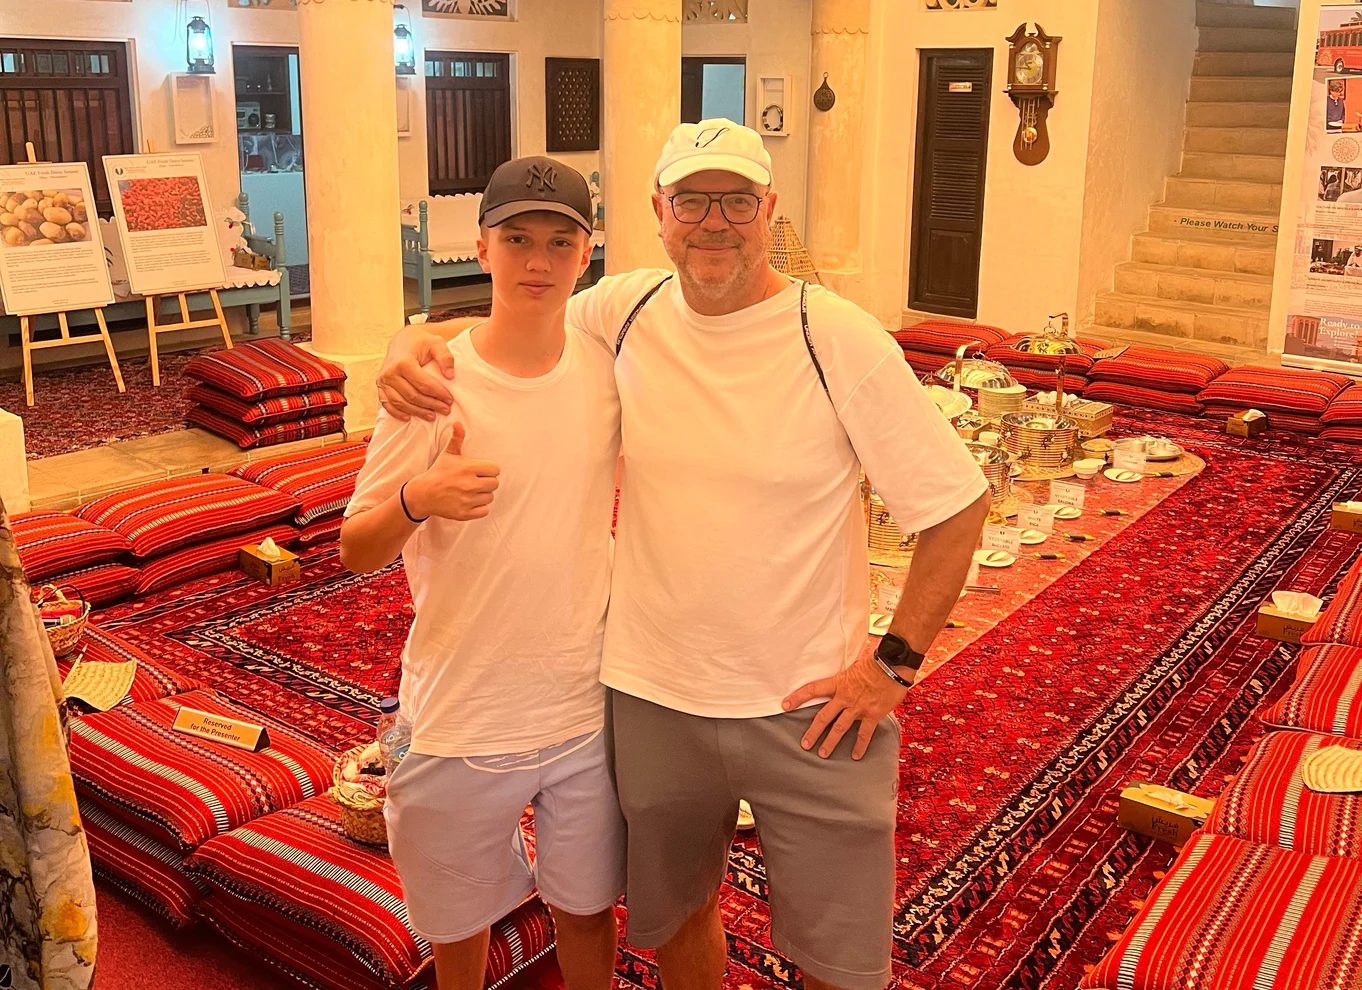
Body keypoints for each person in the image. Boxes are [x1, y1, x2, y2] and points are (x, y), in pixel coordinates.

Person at [375, 119, 991, 990]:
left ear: (769, 210)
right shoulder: (622, 312)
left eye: (736, 201)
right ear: (658, 212)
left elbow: (958, 506)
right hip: (652, 697)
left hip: (809, 703)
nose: (714, 223)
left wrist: (891, 666)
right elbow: (519, 305)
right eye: (692, 202)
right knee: (680, 917)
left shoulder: (836, 336)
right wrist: (408, 344)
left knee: (841, 958)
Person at [340, 156, 623, 990]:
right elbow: (357, 547)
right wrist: (417, 498)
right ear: (482, 248)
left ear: (586, 253)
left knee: (586, 911)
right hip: (461, 712)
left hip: (584, 708)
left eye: (559, 242)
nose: (538, 260)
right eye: (517, 239)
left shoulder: (608, 368)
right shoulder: (432, 386)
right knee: (457, 927)